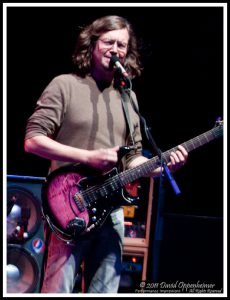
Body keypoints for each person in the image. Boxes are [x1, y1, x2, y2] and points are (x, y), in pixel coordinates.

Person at [24, 15, 188, 294]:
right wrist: (87, 157)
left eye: (122, 45)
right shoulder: (64, 85)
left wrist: (162, 167)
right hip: (70, 205)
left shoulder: (127, 98)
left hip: (110, 210)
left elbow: (132, 158)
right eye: (108, 42)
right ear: (92, 44)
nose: (116, 50)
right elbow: (32, 141)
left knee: (106, 290)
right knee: (58, 288)